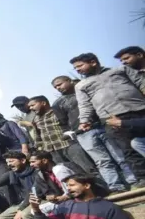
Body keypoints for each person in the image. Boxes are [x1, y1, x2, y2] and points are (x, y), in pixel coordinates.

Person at [52, 75, 137, 192]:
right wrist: (70, 134)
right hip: (82, 133)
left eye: (59, 84)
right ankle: (116, 186)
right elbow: (63, 122)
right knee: (102, 161)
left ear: (69, 81)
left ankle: (133, 180)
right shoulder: (58, 103)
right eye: (55, 87)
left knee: (119, 156)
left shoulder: (86, 89)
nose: (58, 88)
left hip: (103, 126)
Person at [72, 52, 145, 184]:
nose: (77, 70)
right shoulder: (81, 85)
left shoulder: (120, 70)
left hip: (140, 110)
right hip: (112, 118)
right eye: (75, 68)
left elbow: (141, 83)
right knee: (128, 149)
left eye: (80, 65)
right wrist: (84, 120)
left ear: (93, 62)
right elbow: (84, 105)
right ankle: (142, 178)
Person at [28, 95, 97, 174]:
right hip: (53, 151)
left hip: (69, 145)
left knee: (87, 169)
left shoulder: (58, 112)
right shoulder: (35, 119)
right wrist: (40, 149)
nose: (31, 108)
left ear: (43, 103)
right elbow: (38, 137)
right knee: (67, 173)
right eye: (29, 106)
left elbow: (72, 125)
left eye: (33, 105)